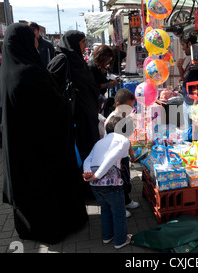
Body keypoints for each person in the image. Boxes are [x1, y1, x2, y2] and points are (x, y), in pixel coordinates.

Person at [1, 23, 88, 244]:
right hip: (41, 146)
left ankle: (29, 229)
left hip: (22, 146)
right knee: (45, 187)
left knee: (29, 188)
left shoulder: (10, 70)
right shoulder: (29, 72)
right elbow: (52, 109)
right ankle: (54, 228)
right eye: (34, 40)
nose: (37, 43)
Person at [47, 30, 101, 200]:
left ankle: (91, 186)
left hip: (87, 116)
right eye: (83, 42)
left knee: (90, 150)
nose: (85, 46)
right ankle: (82, 189)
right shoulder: (62, 60)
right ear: (73, 43)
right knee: (81, 152)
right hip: (75, 119)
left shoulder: (77, 59)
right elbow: (51, 87)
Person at [83, 116, 133, 249]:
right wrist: (98, 175)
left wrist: (88, 173)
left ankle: (107, 237)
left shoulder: (99, 142)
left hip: (95, 186)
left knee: (105, 210)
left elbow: (88, 159)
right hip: (111, 184)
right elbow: (112, 157)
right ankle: (121, 240)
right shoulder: (124, 140)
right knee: (119, 213)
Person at [104, 88, 139, 218]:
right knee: (118, 183)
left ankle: (126, 200)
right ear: (119, 105)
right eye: (130, 106)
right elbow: (109, 144)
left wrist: (131, 151)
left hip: (123, 157)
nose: (132, 109)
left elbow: (127, 138)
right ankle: (119, 207)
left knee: (126, 180)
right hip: (115, 159)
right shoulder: (111, 121)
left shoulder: (124, 117)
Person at [176, 34, 198, 140]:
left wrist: (196, 103)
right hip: (187, 101)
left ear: (189, 44)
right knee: (188, 134)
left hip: (194, 103)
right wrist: (179, 67)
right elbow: (184, 79)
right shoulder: (192, 61)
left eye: (183, 45)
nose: (182, 48)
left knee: (194, 137)